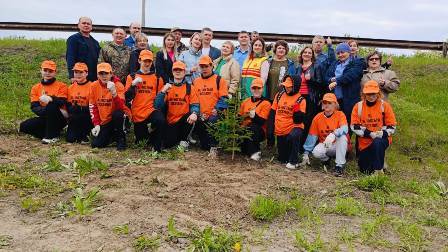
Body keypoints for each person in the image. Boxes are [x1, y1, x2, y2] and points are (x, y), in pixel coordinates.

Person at [351, 80, 397, 174]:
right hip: (365, 141)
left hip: (381, 138)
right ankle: (379, 161)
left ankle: (379, 171)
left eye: (374, 94)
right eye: (368, 94)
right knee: (365, 170)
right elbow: (355, 126)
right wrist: (370, 133)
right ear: (364, 94)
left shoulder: (385, 106)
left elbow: (391, 125)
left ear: (378, 93)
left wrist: (381, 133)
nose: (371, 97)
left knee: (377, 143)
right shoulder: (358, 106)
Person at [124, 50, 165, 151]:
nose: (147, 64)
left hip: (151, 110)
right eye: (144, 61)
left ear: (152, 62)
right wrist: (133, 85)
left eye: (149, 61)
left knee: (160, 120)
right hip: (137, 113)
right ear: (139, 60)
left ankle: (157, 147)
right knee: (141, 141)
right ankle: (148, 133)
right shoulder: (131, 77)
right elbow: (127, 97)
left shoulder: (157, 78)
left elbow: (161, 98)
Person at [19, 60, 68, 144]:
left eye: (50, 71)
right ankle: (53, 132)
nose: (47, 73)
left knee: (52, 105)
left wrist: (51, 98)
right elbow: (34, 106)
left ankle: (51, 136)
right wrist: (46, 111)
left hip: (60, 117)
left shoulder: (62, 86)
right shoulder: (35, 87)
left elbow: (62, 102)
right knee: (23, 126)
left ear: (55, 72)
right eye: (45, 70)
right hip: (45, 116)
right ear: (41, 71)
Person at [154, 61, 200, 149]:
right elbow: (157, 106)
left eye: (180, 70)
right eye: (175, 70)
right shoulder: (167, 87)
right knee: (168, 144)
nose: (178, 72)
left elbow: (195, 104)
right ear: (172, 72)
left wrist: (194, 113)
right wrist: (163, 92)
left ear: (184, 72)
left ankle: (184, 139)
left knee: (191, 115)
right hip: (170, 122)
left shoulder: (190, 87)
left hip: (184, 121)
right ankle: (176, 138)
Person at [301, 93, 348, 176]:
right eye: (325, 102)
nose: (327, 105)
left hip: (338, 145)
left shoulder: (340, 114)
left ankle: (339, 166)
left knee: (343, 137)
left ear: (335, 105)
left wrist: (333, 134)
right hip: (325, 144)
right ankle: (326, 160)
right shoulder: (317, 117)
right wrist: (306, 153)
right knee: (316, 152)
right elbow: (312, 135)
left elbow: (345, 129)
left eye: (330, 103)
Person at [192, 55, 228, 156]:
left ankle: (214, 146)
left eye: (206, 66)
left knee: (213, 120)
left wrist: (217, 109)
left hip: (215, 114)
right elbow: (194, 100)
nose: (204, 69)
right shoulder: (196, 81)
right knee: (204, 146)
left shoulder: (219, 80)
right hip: (202, 114)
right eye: (202, 67)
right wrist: (197, 113)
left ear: (212, 66)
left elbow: (224, 98)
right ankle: (205, 143)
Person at [267, 76, 306, 169]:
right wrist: (270, 130)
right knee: (282, 159)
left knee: (294, 135)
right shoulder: (279, 95)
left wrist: (296, 109)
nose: (287, 88)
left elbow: (299, 120)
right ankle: (287, 156)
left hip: (293, 128)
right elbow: (272, 113)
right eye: (285, 86)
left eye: (290, 87)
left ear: (295, 87)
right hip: (280, 130)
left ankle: (294, 161)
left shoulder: (301, 100)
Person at [89, 63, 130, 150]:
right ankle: (112, 136)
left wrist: (114, 93)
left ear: (111, 74)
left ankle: (121, 138)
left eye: (106, 73)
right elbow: (93, 106)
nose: (104, 76)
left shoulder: (118, 85)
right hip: (105, 120)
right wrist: (96, 124)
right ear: (97, 75)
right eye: (101, 73)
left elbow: (121, 107)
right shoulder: (93, 86)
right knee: (96, 144)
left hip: (118, 117)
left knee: (118, 114)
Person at [326, 42, 364, 127]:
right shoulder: (335, 64)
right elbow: (327, 76)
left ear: (349, 52)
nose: (340, 55)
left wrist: (336, 81)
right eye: (338, 53)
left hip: (349, 100)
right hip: (336, 100)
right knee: (334, 124)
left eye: (342, 52)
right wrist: (330, 79)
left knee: (348, 124)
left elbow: (350, 75)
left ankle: (347, 140)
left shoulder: (357, 62)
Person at [238, 78, 271, 161]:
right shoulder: (245, 101)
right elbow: (239, 117)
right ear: (251, 89)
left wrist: (254, 116)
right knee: (243, 151)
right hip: (244, 128)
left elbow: (261, 122)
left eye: (258, 88)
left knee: (253, 127)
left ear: (262, 89)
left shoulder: (266, 103)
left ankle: (255, 151)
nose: (256, 90)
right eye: (254, 88)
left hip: (259, 131)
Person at [66, 16, 100, 82]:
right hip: (79, 76)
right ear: (78, 25)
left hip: (93, 77)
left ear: (91, 27)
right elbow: (70, 57)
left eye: (88, 24)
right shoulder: (73, 39)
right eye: (83, 23)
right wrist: (72, 75)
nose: (86, 25)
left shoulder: (95, 42)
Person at [66, 62, 93, 144]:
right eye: (76, 72)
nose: (78, 74)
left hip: (87, 117)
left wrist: (81, 108)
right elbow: (68, 105)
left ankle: (87, 133)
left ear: (86, 73)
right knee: (70, 139)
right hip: (74, 117)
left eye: (81, 72)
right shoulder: (70, 87)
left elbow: (93, 107)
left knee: (82, 138)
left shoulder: (92, 86)